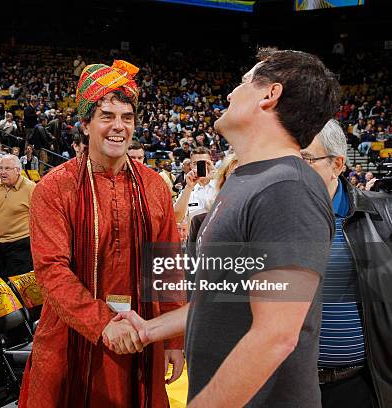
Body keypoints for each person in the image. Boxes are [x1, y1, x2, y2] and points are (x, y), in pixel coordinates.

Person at [114, 48, 339, 407]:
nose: (232, 92)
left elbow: (275, 335)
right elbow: (226, 298)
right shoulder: (247, 181)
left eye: (243, 82)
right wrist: (148, 329)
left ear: (270, 95)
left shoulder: (288, 188)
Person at [18, 60, 185, 408]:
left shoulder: (154, 186)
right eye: (107, 116)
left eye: (127, 117)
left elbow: (167, 267)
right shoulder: (54, 188)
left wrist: (174, 340)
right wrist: (102, 323)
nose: (118, 127)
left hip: (141, 335)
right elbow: (51, 271)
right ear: (85, 123)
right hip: (72, 337)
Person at [301, 119, 392, 408]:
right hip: (286, 387)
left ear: (337, 165)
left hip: (359, 386)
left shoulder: (382, 214)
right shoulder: (271, 217)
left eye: (306, 159)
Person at [173, 146, 216, 223]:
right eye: (195, 163)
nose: (199, 167)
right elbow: (176, 218)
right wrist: (189, 187)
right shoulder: (187, 190)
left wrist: (217, 175)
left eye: (204, 163)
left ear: (211, 163)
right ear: (191, 166)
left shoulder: (222, 185)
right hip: (195, 234)